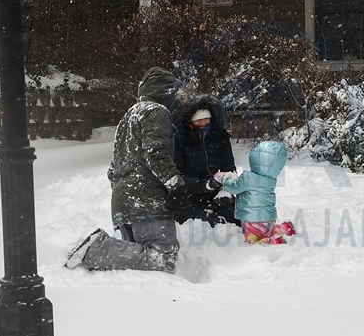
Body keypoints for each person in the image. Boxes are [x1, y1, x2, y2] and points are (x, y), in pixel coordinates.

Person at [65, 67, 187, 273]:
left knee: (140, 268)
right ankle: (96, 249)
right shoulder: (157, 111)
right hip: (147, 200)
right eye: (176, 94)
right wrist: (176, 185)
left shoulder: (129, 115)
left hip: (124, 201)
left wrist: (125, 193)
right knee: (163, 259)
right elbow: (155, 152)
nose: (179, 100)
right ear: (165, 92)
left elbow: (114, 168)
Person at [172, 93, 240, 227]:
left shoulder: (220, 137)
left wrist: (226, 190)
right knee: (197, 224)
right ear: (191, 121)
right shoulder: (182, 140)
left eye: (206, 120)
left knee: (237, 219)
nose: (203, 124)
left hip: (215, 193)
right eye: (198, 120)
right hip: (189, 195)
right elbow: (177, 176)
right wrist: (205, 185)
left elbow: (229, 169)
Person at [216, 140, 295, 245]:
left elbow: (234, 187)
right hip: (269, 219)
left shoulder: (248, 178)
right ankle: (283, 228)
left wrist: (224, 178)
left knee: (252, 240)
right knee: (266, 231)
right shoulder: (270, 180)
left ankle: (272, 242)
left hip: (251, 219)